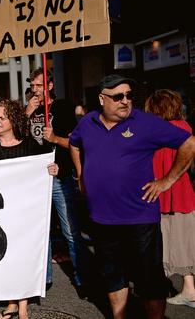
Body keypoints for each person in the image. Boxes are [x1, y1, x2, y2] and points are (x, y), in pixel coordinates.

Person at [69, 75, 195, 319]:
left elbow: (189, 143)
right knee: (113, 277)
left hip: (140, 218)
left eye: (129, 96)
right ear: (101, 99)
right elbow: (74, 143)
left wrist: (166, 181)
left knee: (149, 281)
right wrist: (82, 175)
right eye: (118, 97)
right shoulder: (87, 123)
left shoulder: (145, 122)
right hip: (102, 217)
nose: (125, 101)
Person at [0, 100, 57, 319]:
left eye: (1, 118)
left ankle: (22, 307)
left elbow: (46, 163)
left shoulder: (30, 145)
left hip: (24, 213)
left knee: (22, 257)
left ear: (13, 120)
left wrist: (53, 169)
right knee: (6, 259)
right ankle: (11, 303)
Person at [25, 68, 87, 296]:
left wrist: (54, 139)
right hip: (35, 179)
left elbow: (74, 142)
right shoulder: (29, 108)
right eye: (33, 86)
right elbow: (17, 139)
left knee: (70, 230)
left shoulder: (62, 107)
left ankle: (82, 278)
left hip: (58, 177)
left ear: (50, 86)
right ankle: (44, 281)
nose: (35, 90)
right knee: (41, 232)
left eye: (39, 85)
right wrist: (28, 111)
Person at [145, 89, 195, 309]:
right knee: (184, 241)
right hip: (183, 194)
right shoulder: (185, 128)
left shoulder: (158, 132)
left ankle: (187, 290)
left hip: (163, 194)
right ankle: (187, 287)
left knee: (165, 242)